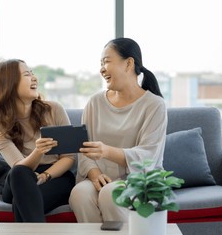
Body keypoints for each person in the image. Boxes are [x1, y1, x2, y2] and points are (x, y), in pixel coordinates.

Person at [69, 37, 167, 223]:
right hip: (100, 176)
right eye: (100, 63)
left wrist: (107, 151)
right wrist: (95, 174)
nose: (101, 69)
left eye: (106, 61)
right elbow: (83, 150)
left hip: (140, 179)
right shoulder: (95, 102)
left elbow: (149, 156)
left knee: (111, 194)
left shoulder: (154, 105)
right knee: (79, 194)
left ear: (128, 63)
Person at [0, 59, 75, 222]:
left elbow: (69, 157)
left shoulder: (54, 109)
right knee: (19, 173)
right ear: (10, 84)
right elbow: (19, 166)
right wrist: (38, 151)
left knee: (21, 201)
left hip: (55, 175)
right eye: (27, 74)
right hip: (21, 176)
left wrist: (45, 176)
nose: (34, 78)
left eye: (32, 73)